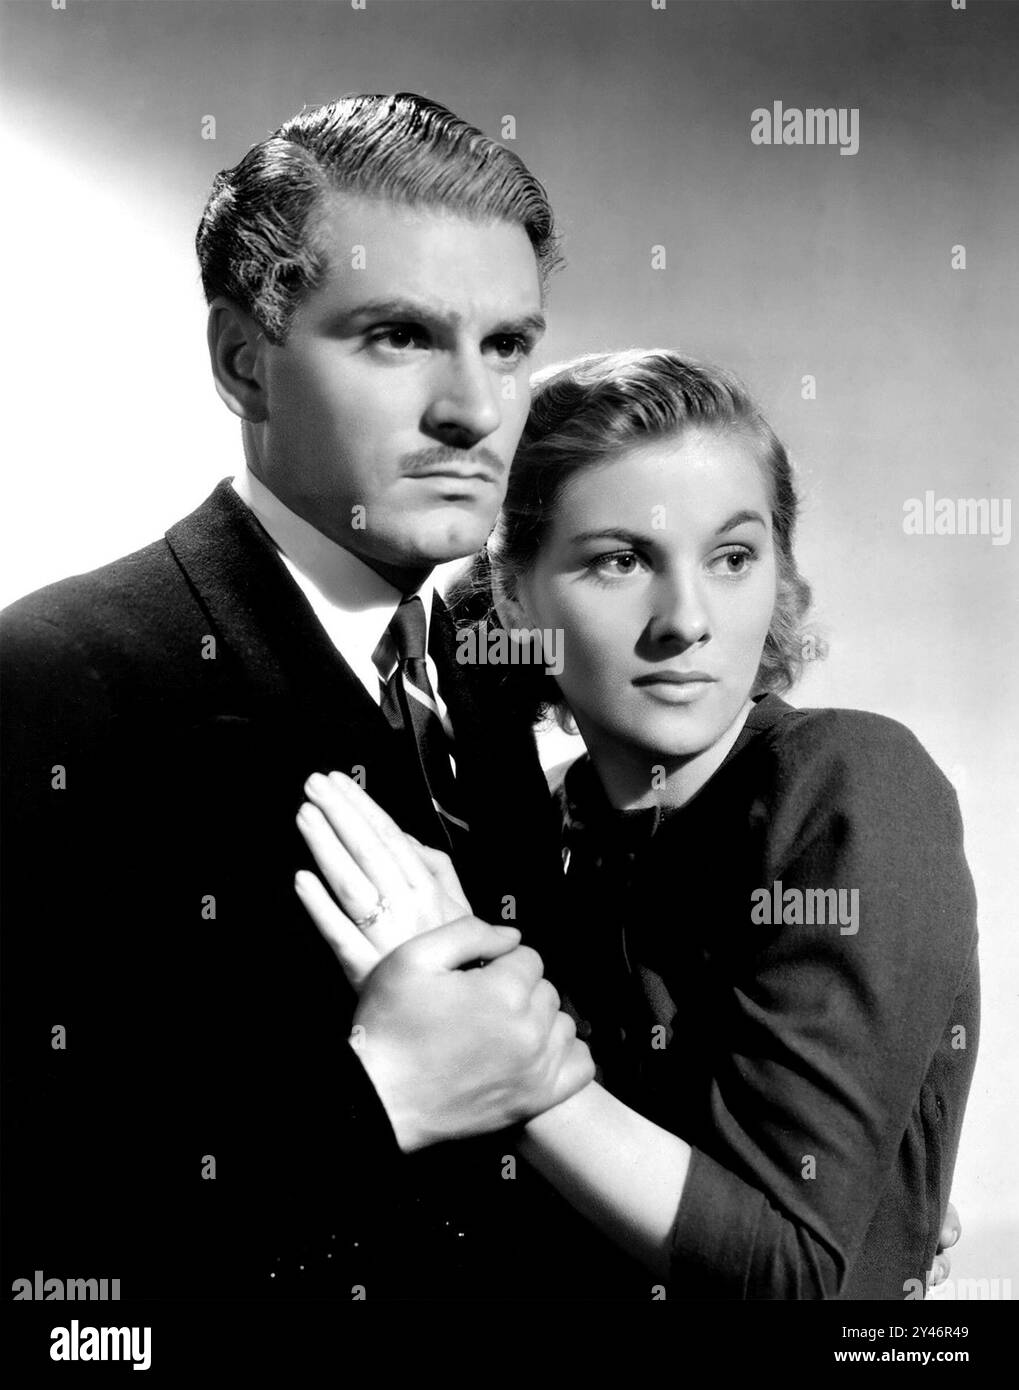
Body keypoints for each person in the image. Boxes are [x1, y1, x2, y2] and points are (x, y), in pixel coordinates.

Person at [0, 93, 594, 1303]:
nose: (474, 413)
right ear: (241, 361)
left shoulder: (493, 667)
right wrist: (378, 1095)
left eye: (506, 346)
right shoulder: (52, 682)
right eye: (395, 336)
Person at [292, 350, 978, 1299]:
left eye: (732, 557)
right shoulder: (540, 831)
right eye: (619, 561)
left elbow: (790, 1276)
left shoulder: (847, 781)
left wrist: (504, 1044)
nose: (685, 619)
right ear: (515, 595)